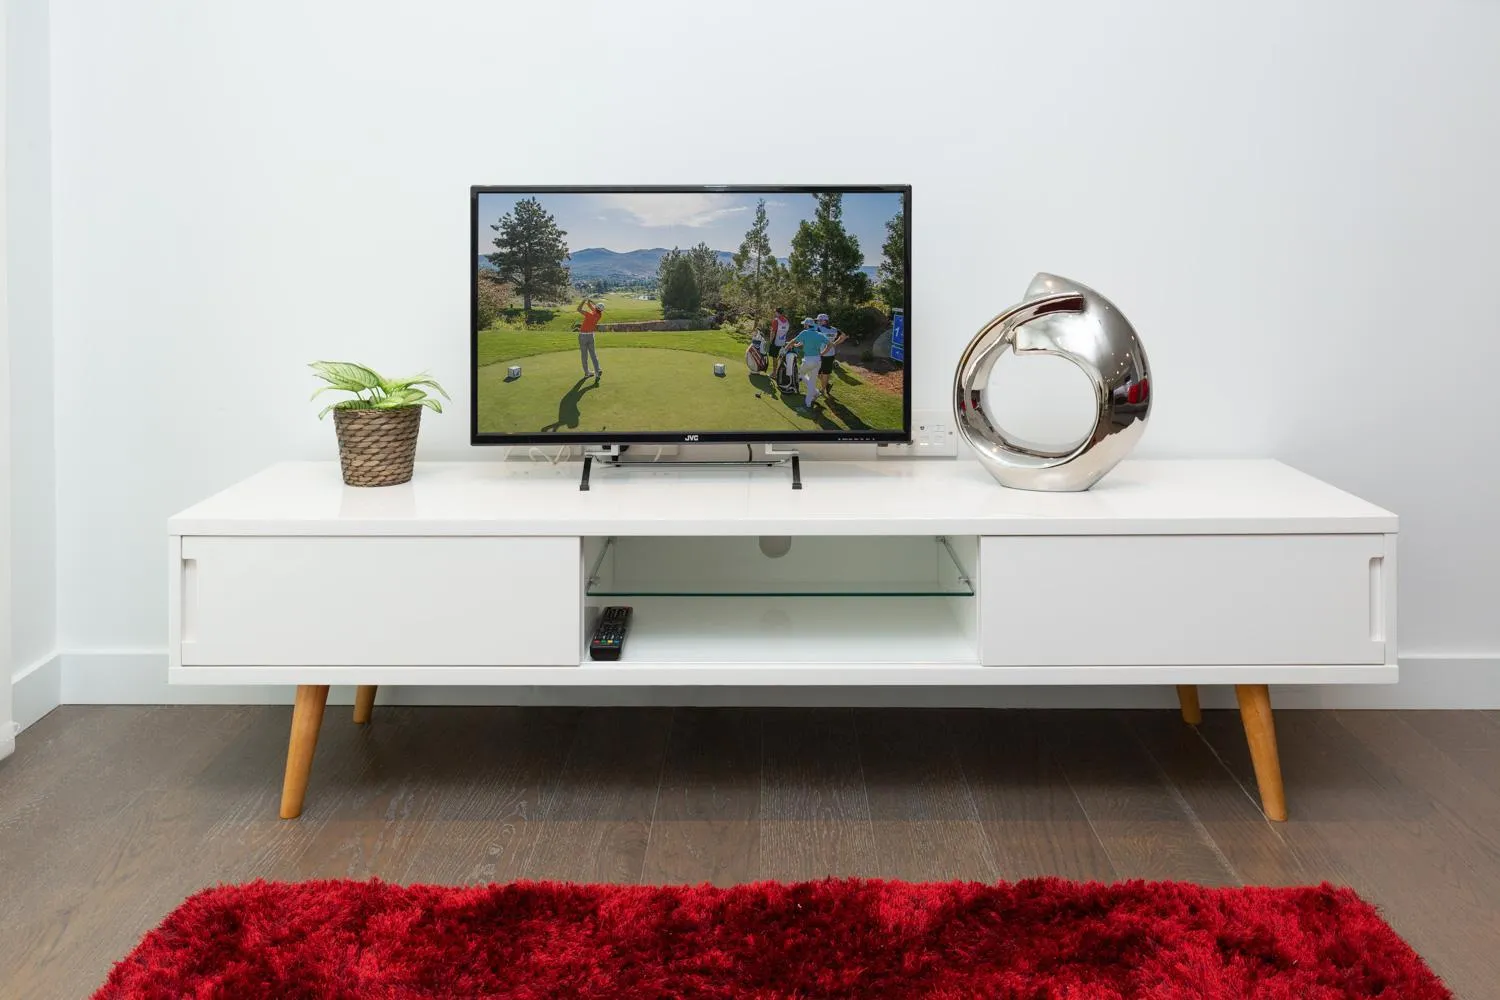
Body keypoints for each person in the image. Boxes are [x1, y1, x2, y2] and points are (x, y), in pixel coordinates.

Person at [785, 317, 832, 410]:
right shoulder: (819, 334)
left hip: (808, 360)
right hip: (817, 360)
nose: (804, 326)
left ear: (807, 325)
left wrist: (785, 348)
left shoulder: (805, 333)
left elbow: (793, 341)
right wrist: (823, 353)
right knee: (812, 380)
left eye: (804, 324)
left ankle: (811, 398)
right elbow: (830, 344)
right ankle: (812, 397)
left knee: (802, 374)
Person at [813, 312, 848, 399]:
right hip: (830, 354)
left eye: (820, 321)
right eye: (818, 321)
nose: (818, 322)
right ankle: (826, 385)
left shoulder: (819, 329)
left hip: (821, 353)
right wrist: (835, 344)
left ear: (825, 321)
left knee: (821, 373)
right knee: (823, 373)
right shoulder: (834, 329)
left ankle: (823, 390)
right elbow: (844, 336)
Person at [576, 298, 604, 377]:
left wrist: (583, 301)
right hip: (591, 336)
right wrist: (589, 301)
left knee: (584, 355)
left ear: (596, 308)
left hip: (583, 336)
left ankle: (587, 373)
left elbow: (578, 309)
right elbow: (590, 306)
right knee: (593, 354)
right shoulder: (599, 315)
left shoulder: (589, 314)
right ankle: (597, 370)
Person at [767, 307, 790, 379]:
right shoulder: (786, 321)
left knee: (774, 358)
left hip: (775, 342)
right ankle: (779, 374)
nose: (775, 313)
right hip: (782, 342)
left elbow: (773, 332)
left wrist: (770, 341)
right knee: (780, 358)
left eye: (775, 312)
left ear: (777, 312)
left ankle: (774, 374)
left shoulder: (776, 320)